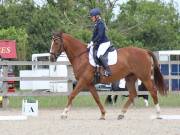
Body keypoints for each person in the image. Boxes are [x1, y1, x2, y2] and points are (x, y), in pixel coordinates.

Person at [88, 8, 112, 76]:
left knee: (99, 54)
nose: (91, 18)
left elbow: (100, 35)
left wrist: (94, 42)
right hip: (100, 43)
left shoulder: (101, 23)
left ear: (97, 16)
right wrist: (91, 42)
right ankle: (97, 69)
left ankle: (108, 70)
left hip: (104, 43)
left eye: (92, 16)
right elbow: (94, 35)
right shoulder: (97, 23)